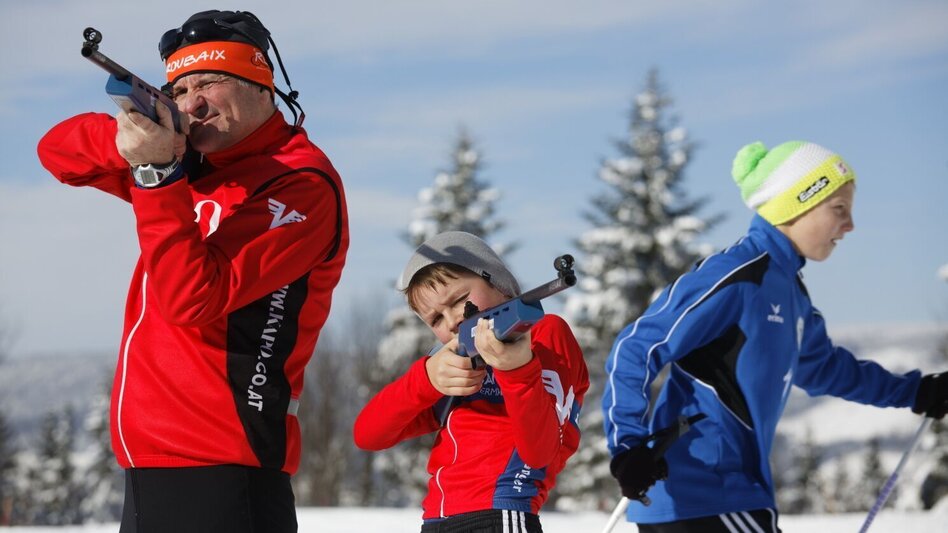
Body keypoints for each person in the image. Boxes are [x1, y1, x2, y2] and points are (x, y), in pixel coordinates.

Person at [37, 10, 348, 532]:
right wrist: (130, 142)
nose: (191, 102)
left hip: (226, 469)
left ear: (261, 85)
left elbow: (191, 300)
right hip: (152, 465)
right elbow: (56, 151)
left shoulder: (300, 184)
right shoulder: (191, 166)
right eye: (178, 89)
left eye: (210, 81)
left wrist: (156, 174)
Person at [602, 140, 948, 532]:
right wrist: (628, 447)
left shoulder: (789, 292)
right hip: (704, 492)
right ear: (796, 203)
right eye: (839, 209)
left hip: (728, 497)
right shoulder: (737, 277)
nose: (849, 225)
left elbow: (826, 369)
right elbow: (636, 347)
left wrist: (915, 392)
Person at [354, 231, 589, 532]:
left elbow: (540, 453)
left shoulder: (545, 335)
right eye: (435, 320)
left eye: (460, 300)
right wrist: (425, 380)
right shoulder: (451, 366)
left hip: (501, 514)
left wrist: (518, 371)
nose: (451, 320)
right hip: (436, 521)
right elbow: (368, 434)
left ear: (499, 283)